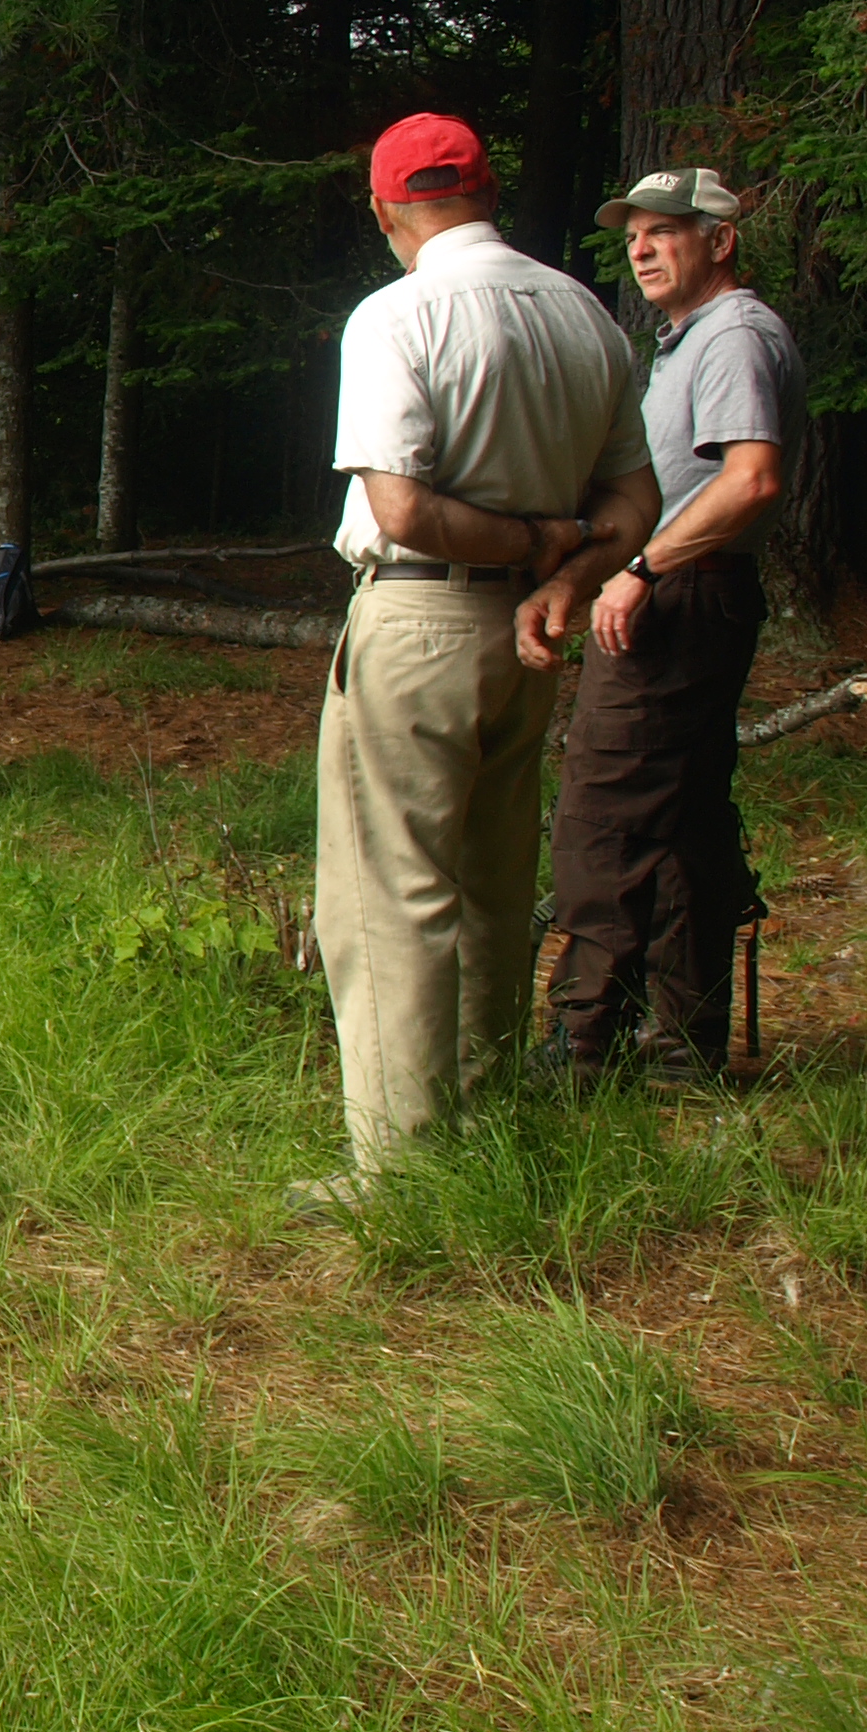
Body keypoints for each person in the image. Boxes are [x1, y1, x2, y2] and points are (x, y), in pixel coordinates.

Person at [303, 114, 659, 1216]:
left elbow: (398, 504)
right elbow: (636, 500)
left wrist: (523, 546)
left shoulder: (398, 316)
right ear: (489, 189)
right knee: (496, 885)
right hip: (527, 641)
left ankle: (404, 1175)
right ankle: (486, 1121)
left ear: (384, 209)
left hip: (419, 622)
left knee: (389, 891)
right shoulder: (584, 314)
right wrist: (565, 568)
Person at [542, 169, 809, 1085]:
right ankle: (681, 1049)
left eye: (664, 233)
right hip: (689, 595)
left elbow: (752, 479)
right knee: (683, 817)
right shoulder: (693, 340)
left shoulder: (734, 334)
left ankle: (582, 1046)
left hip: (679, 599)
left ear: (720, 241)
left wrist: (644, 569)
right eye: (633, 239)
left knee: (605, 810)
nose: (642, 250)